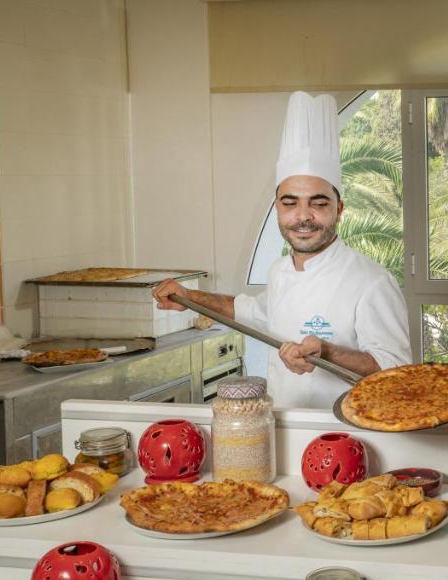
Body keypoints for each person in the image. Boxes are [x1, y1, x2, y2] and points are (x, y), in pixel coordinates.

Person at [152, 92, 410, 408]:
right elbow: (251, 312)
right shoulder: (279, 271)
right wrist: (189, 297)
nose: (303, 216)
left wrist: (327, 352)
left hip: (347, 430)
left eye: (318, 203)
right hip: (283, 424)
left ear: (339, 209)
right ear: (277, 207)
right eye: (290, 203)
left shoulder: (371, 281)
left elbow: (398, 374)